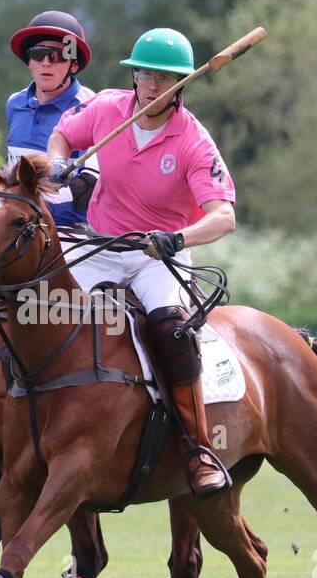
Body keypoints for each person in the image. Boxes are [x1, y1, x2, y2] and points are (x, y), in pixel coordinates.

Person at [47, 27, 236, 496]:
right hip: (100, 247)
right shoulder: (107, 108)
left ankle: (197, 450)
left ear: (182, 84)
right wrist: (58, 165)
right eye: (146, 74)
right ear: (134, 76)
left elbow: (224, 217)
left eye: (165, 77)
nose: (153, 85)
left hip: (156, 257)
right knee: (40, 303)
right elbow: (61, 135)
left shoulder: (194, 141)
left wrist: (176, 239)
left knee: (171, 328)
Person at [5, 11, 98, 230]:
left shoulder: (93, 107)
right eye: (38, 54)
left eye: (56, 55)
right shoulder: (14, 104)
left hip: (69, 230)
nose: (46, 62)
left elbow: (89, 192)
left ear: (74, 65)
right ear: (29, 61)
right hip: (17, 226)